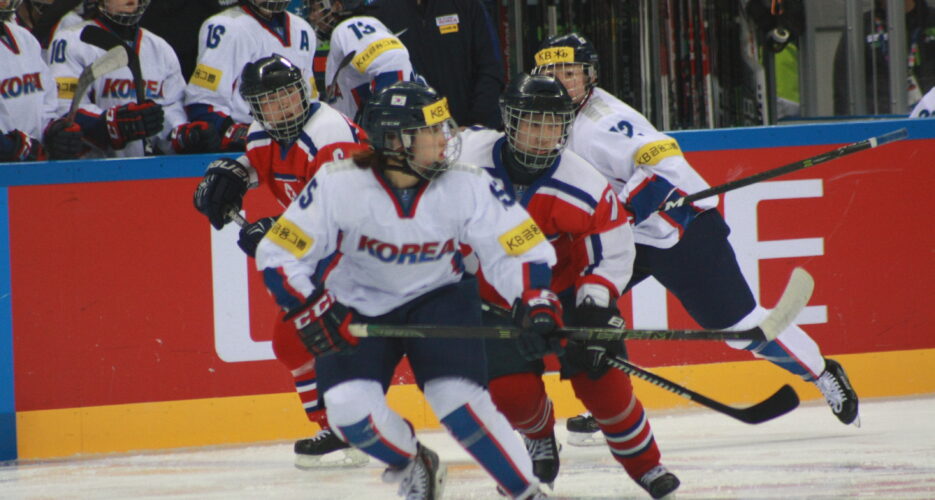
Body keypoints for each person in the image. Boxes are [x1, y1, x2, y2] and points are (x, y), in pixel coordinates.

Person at [531, 32, 861, 443]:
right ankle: (610, 406)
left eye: (571, 72)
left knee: (740, 330)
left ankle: (822, 370)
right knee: (583, 308)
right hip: (624, 237)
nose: (562, 81)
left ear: (589, 76)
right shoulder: (550, 120)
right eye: (552, 72)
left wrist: (620, 210)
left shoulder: (603, 123)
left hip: (679, 229)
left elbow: (664, 162)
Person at [255, 80, 553, 500]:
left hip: (441, 298)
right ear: (396, 141)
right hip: (355, 303)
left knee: (459, 402)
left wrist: (535, 299)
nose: (446, 139)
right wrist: (311, 306)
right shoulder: (338, 183)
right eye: (433, 131)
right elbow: (279, 253)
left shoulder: (466, 182)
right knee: (347, 413)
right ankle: (412, 462)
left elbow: (516, 247)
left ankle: (526, 492)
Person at [456, 73, 680, 500]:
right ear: (510, 121)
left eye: (554, 125)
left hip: (568, 291)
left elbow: (610, 254)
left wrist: (595, 309)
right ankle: (538, 436)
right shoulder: (466, 161)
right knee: (511, 392)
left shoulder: (585, 183)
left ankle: (647, 466)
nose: (543, 137)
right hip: (498, 299)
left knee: (607, 387)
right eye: (532, 123)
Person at [192, 53, 368, 468]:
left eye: (287, 96)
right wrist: (234, 174)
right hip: (327, 256)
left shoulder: (330, 134)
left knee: (299, 339)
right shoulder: (260, 134)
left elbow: (340, 211)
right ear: (255, 108)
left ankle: (348, 427)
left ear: (303, 91)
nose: (281, 107)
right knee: (293, 343)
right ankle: (343, 429)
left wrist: (276, 229)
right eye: (269, 102)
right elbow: (261, 165)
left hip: (365, 249)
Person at [47, 0, 219, 157]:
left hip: (145, 173)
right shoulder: (71, 40)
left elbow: (171, 109)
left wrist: (183, 135)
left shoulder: (159, 47)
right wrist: (112, 125)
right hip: (88, 172)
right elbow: (64, 109)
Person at [184, 0, 317, 152]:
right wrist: (234, 133)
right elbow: (203, 103)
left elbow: (310, 99)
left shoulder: (303, 30)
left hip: (296, 143)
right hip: (245, 148)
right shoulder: (226, 26)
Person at [368, 0, 504, 129]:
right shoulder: (379, 13)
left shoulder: (468, 5)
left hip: (467, 133)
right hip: (412, 137)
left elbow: (490, 68)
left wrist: (475, 125)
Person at [305, 0, 419, 121]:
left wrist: (389, 121)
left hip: (390, 135)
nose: (312, 16)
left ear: (336, 7)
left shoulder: (349, 27)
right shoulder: (360, 28)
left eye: (314, 9)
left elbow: (393, 62)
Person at [0, 0, 82, 162]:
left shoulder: (24, 38)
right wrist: (8, 147)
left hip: (34, 168)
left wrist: (53, 130)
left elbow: (46, 100)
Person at [833, 0, 935, 115]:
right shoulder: (861, 26)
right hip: (880, 123)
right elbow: (844, 89)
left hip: (929, 119)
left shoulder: (930, 20)